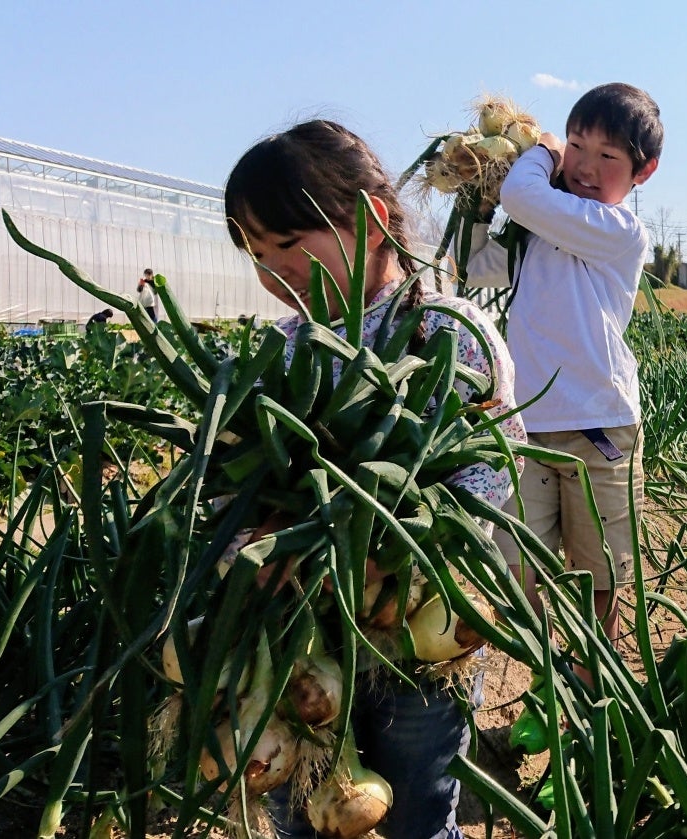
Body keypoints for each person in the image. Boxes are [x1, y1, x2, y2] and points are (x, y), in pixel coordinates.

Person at [223, 119, 525, 839]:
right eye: (256, 254)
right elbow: (244, 480)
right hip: (303, 640)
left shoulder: (446, 331)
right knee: (303, 812)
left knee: (420, 807)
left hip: (415, 636)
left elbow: (494, 461)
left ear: (374, 220)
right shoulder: (283, 349)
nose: (274, 272)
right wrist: (251, 549)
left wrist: (389, 553)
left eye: (289, 246)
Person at [466, 82, 663, 654]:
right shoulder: (540, 232)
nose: (584, 165)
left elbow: (523, 196)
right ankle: (544, 681)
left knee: (599, 575)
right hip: (528, 425)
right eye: (577, 147)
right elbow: (478, 267)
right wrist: (477, 206)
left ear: (641, 173)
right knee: (515, 561)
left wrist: (544, 150)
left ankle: (590, 682)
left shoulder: (619, 231)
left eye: (608, 156)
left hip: (597, 426)